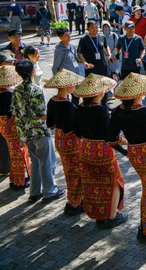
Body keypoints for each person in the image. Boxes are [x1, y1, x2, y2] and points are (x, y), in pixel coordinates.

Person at [110, 74, 146, 242]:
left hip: (134, 156)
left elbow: (111, 139)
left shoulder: (118, 111)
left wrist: (126, 151)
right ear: (139, 94)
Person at [73, 74, 128, 228]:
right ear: (97, 93)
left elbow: (76, 131)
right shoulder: (101, 111)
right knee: (115, 181)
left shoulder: (80, 108)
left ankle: (99, 215)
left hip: (86, 149)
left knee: (94, 183)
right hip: (102, 152)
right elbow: (109, 136)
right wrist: (124, 150)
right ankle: (112, 216)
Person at [13, 60, 65, 204]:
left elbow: (15, 111)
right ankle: (49, 191)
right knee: (46, 161)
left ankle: (35, 192)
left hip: (25, 131)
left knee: (35, 161)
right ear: (32, 71)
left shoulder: (16, 89)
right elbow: (41, 114)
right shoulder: (35, 89)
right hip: (39, 131)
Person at [44, 69, 85, 216]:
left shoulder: (52, 101)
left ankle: (72, 200)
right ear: (67, 86)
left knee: (69, 171)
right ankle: (75, 203)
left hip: (59, 138)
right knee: (76, 172)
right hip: (70, 141)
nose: (75, 87)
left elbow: (50, 124)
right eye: (73, 85)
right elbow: (70, 128)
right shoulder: (68, 105)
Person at [0, 65, 30, 191]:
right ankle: (20, 180)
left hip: (3, 126)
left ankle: (14, 179)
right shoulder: (7, 94)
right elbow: (11, 112)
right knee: (19, 152)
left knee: (13, 152)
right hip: (11, 127)